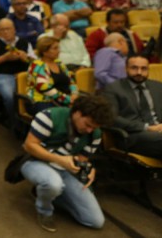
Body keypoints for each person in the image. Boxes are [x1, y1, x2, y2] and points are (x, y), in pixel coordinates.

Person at [20, 96, 114, 232]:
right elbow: (29, 146)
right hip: (35, 161)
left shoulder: (95, 134)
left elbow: (81, 160)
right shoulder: (49, 116)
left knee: (95, 221)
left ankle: (47, 193)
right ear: (77, 112)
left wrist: (88, 169)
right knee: (53, 183)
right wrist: (58, 159)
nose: (89, 130)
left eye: (94, 128)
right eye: (88, 125)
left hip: (64, 169)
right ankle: (44, 210)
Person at [101, 54, 162, 160]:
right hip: (132, 135)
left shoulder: (158, 86)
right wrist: (147, 127)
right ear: (126, 68)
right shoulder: (113, 88)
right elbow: (112, 118)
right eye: (134, 68)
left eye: (143, 68)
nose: (139, 72)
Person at [0, 18, 35, 126]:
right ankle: (14, 122)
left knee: (37, 95)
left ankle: (32, 122)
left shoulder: (24, 43)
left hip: (24, 76)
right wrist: (4, 58)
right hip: (3, 76)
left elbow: (36, 63)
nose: (5, 32)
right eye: (2, 30)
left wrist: (27, 58)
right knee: (9, 96)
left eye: (8, 29)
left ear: (14, 29)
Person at [27, 36, 79, 113]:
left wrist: (74, 94)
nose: (59, 51)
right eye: (55, 48)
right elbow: (45, 89)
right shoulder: (37, 66)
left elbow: (71, 80)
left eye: (58, 48)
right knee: (62, 114)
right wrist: (68, 100)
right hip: (44, 101)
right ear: (44, 52)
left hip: (64, 98)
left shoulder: (59, 63)